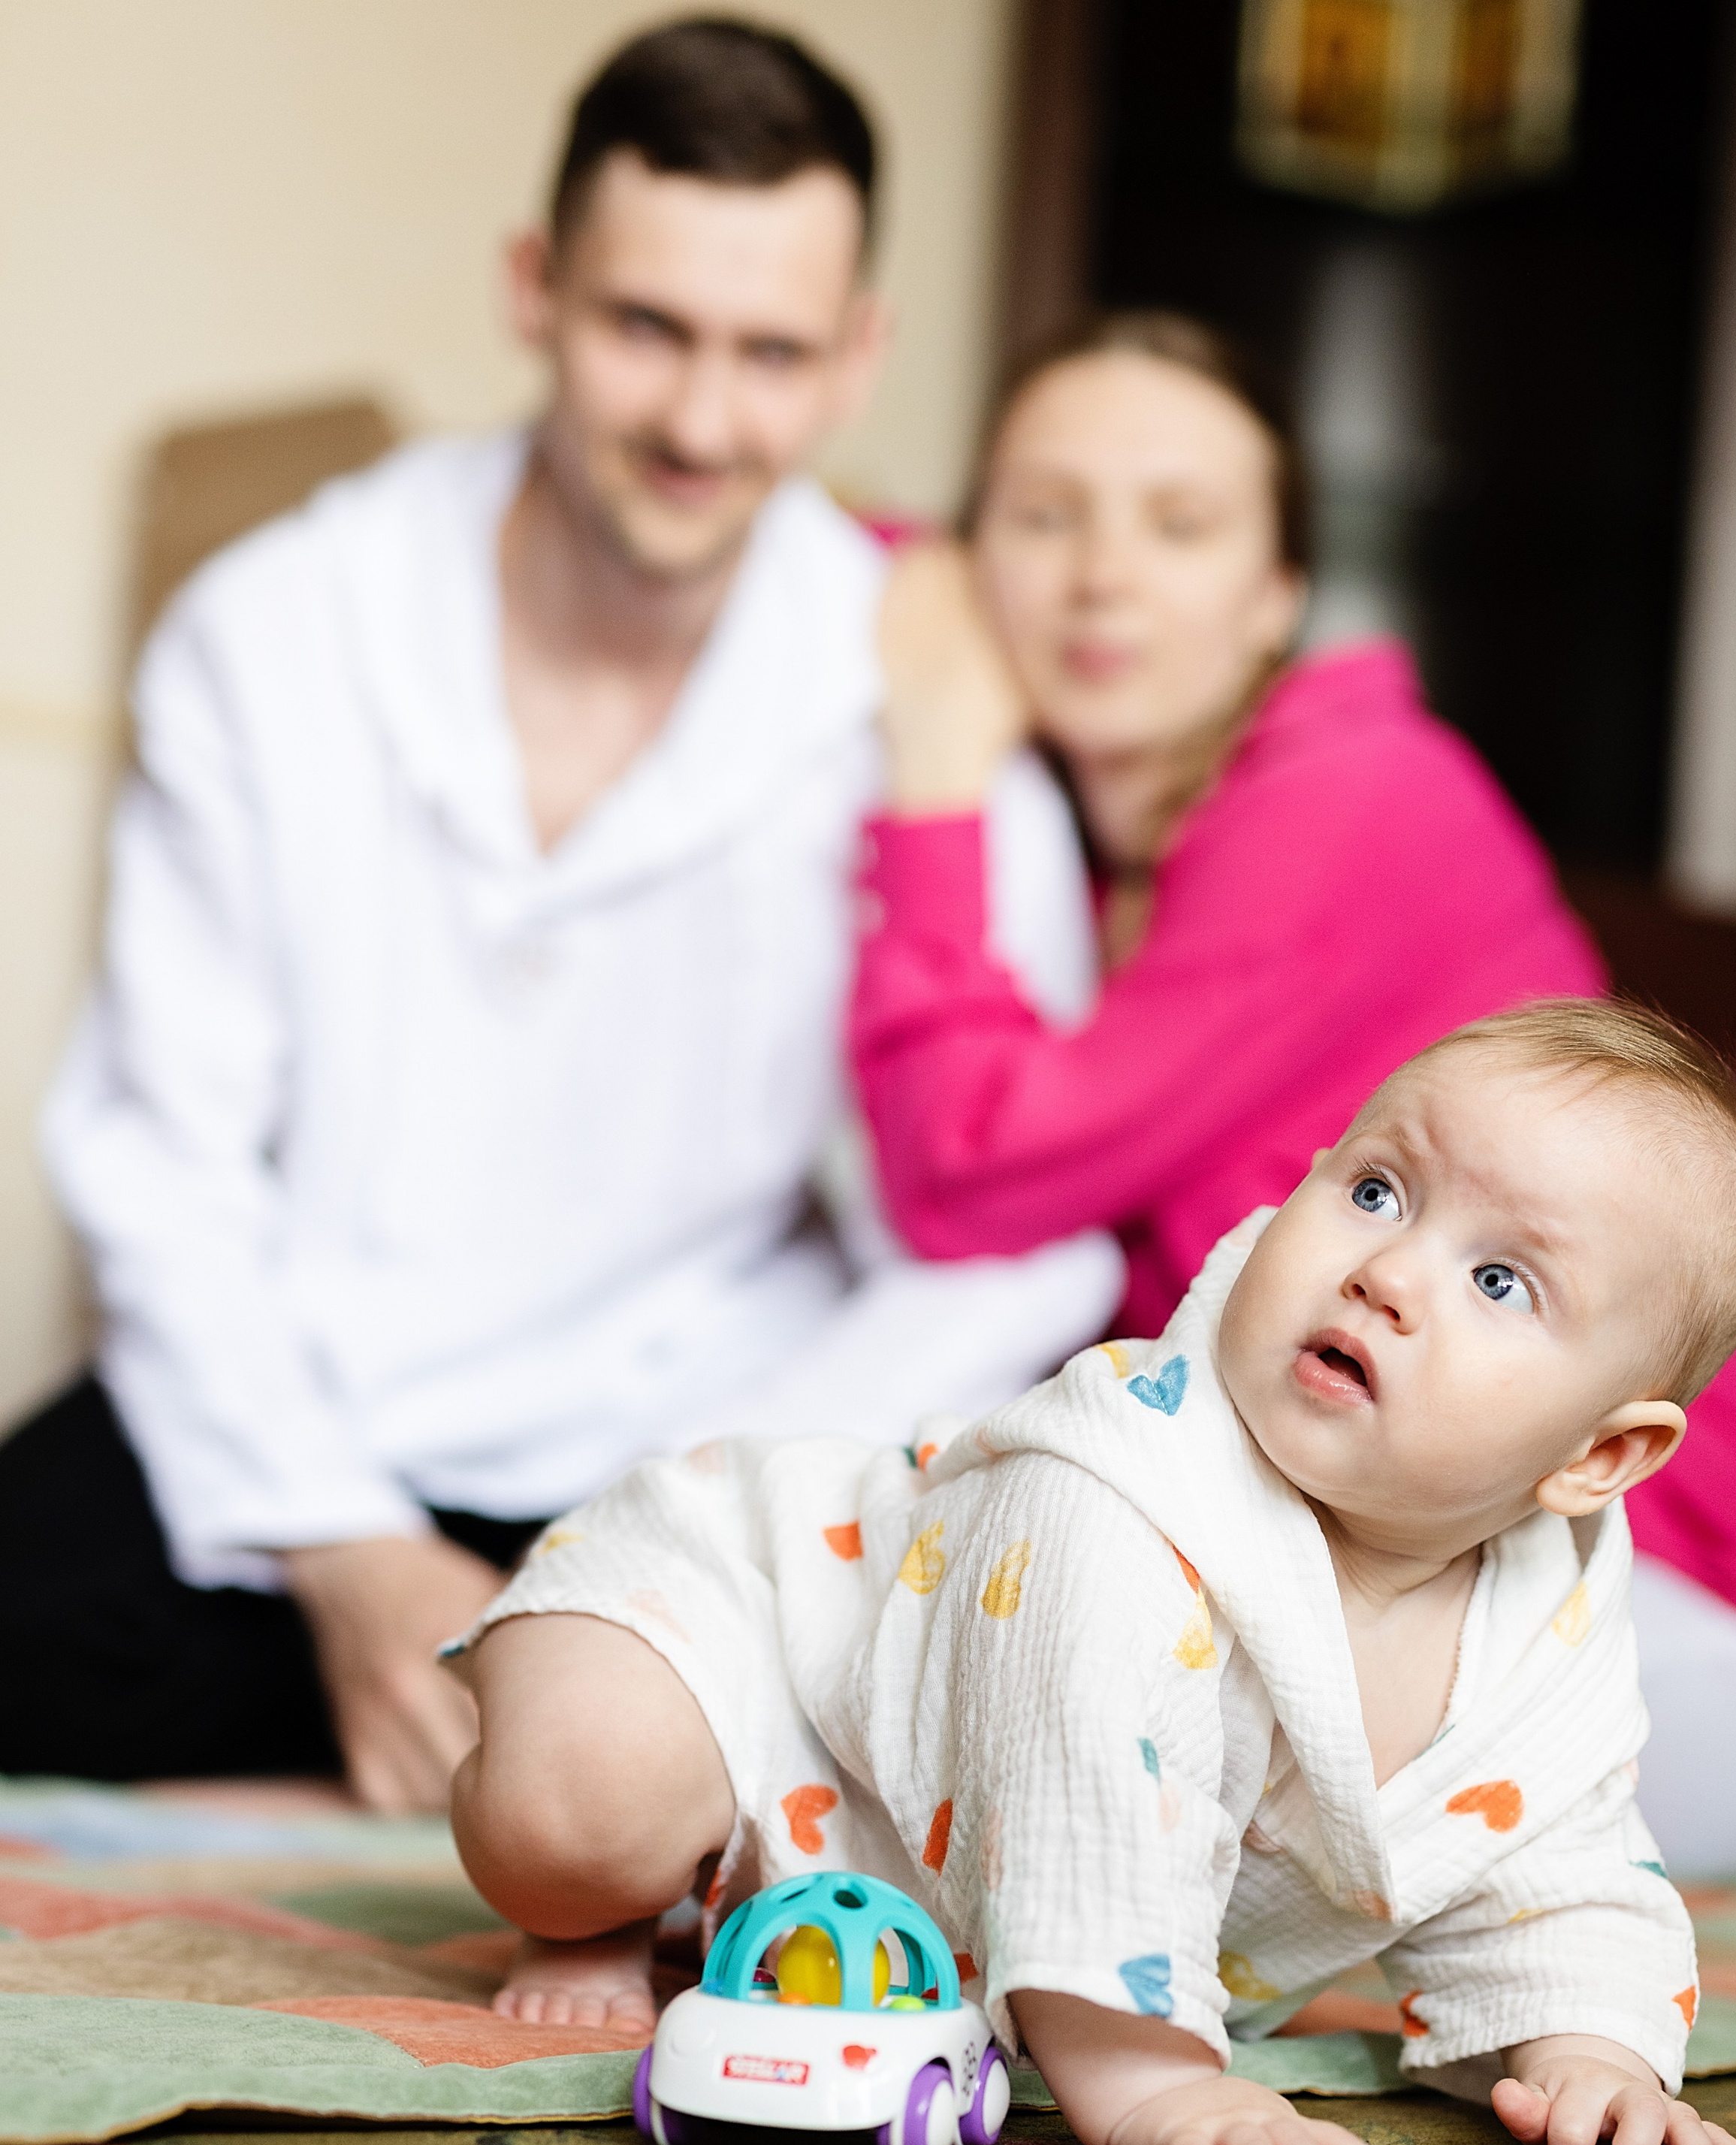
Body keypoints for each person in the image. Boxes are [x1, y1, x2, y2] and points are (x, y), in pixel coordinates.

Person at [0, 20, 1117, 1813]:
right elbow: (158, 1156)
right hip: (306, 1431)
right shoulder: (273, 628)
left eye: (770, 354)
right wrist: (353, 1559)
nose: (700, 420)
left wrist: (680, 1534)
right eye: (645, 328)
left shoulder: (929, 703)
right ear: (534, 286)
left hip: (689, 1454)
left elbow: (1012, 1228)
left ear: (858, 357)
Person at [852, 313, 1736, 1870]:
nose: (1100, 575)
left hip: (1635, 1605)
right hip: (1360, 1581)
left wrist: (929, 782)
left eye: (1179, 522)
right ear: (967, 563)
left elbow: (962, 1169)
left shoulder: (1355, 795)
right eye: (1043, 513)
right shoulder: (1096, 866)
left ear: (1275, 593)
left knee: (1065, 1769)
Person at [446, 1002, 1736, 2145]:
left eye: (1500, 1282)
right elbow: (1087, 1792)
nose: (1389, 1273)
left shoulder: (1552, 1633)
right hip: (758, 1619)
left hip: (932, 1853)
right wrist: (1153, 2074)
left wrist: (1595, 2054)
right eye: (1375, 1191)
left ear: (1597, 1460)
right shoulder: (1115, 1486)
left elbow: (1564, 1865)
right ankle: (615, 1898)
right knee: (577, 1817)